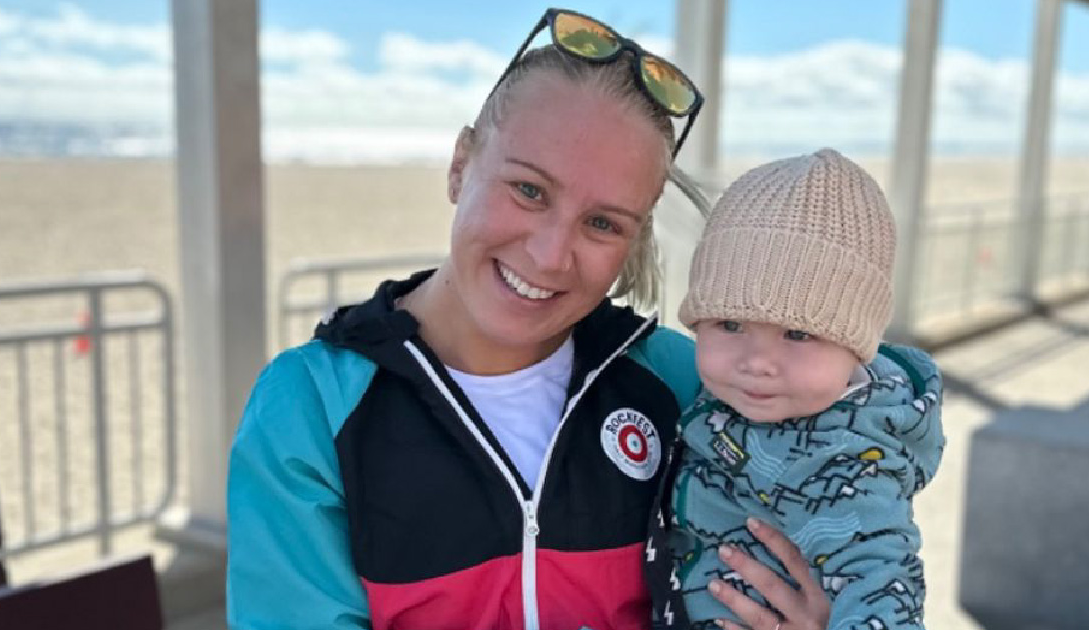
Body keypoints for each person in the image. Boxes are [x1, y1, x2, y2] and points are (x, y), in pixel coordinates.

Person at [228, 8, 833, 630]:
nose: (549, 256)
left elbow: (842, 493)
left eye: (602, 223)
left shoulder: (686, 382)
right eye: (529, 190)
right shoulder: (311, 407)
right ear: (461, 164)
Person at [645, 149, 945, 630]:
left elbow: (883, 585)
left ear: (856, 349)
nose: (757, 362)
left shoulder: (849, 459)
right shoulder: (717, 396)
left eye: (798, 334)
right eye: (730, 324)